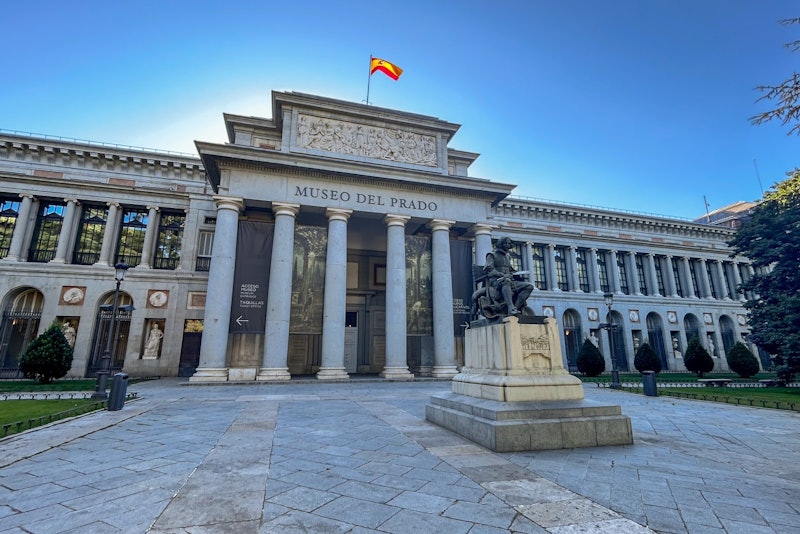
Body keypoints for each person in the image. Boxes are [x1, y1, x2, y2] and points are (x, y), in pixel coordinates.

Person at [484, 237, 534, 316]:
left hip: (510, 281)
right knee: (506, 281)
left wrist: (514, 273)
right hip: (497, 282)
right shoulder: (491, 255)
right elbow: (489, 269)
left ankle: (515, 308)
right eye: (506, 243)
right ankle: (510, 307)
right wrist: (501, 274)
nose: (508, 245)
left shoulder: (508, 257)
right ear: (501, 244)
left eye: (509, 243)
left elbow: (510, 269)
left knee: (529, 286)